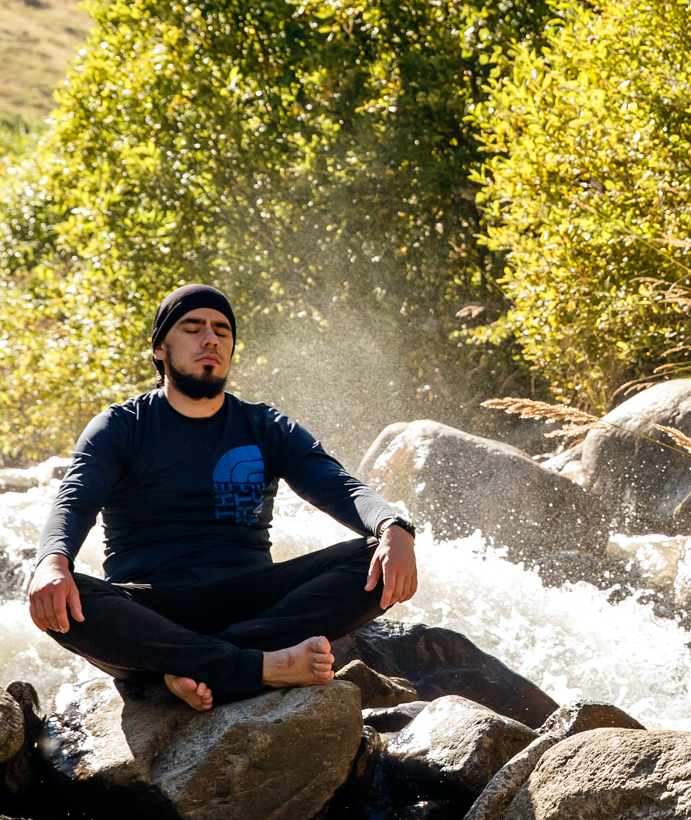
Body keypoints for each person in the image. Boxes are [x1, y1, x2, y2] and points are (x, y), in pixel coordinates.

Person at [25, 283, 419, 712]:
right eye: (193, 327)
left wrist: (392, 526)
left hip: (250, 600)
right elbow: (74, 500)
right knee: (63, 596)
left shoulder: (264, 425)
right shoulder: (120, 426)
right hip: (154, 607)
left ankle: (192, 666)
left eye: (221, 331)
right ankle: (261, 666)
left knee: (373, 561)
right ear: (159, 349)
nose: (210, 338)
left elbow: (335, 483)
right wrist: (52, 562)